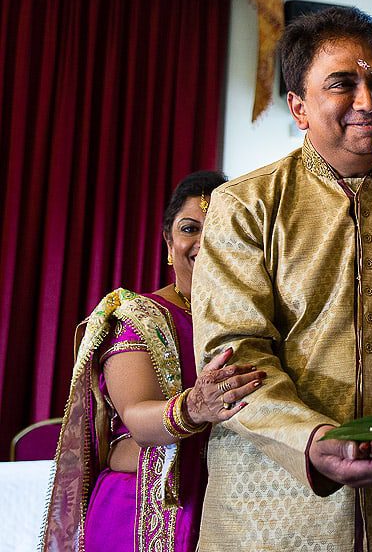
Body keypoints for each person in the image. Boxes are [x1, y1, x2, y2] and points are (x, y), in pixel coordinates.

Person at [192, 6, 372, 551]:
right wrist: (311, 440)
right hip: (273, 511)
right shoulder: (248, 205)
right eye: (343, 84)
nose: (369, 102)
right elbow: (234, 354)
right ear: (299, 107)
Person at [43, 170, 265, 552]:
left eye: (216, 230)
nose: (202, 242)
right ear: (168, 241)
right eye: (189, 229)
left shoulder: (256, 321)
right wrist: (195, 407)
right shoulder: (138, 316)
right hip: (145, 512)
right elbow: (137, 417)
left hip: (233, 506)